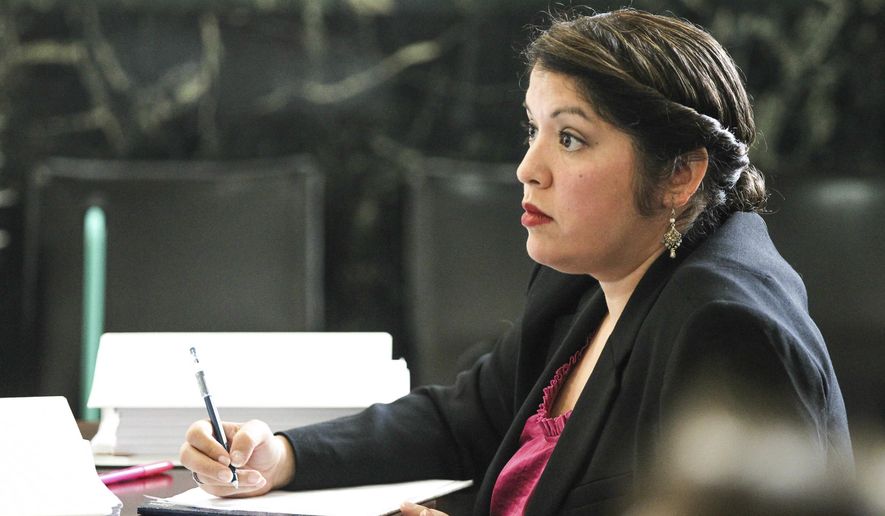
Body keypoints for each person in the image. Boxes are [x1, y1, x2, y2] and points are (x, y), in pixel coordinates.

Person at [180, 8, 853, 515]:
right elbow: (465, 418)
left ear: (679, 173)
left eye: (570, 138)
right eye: (534, 131)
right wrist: (283, 456)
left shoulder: (729, 328)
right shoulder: (591, 274)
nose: (528, 169)